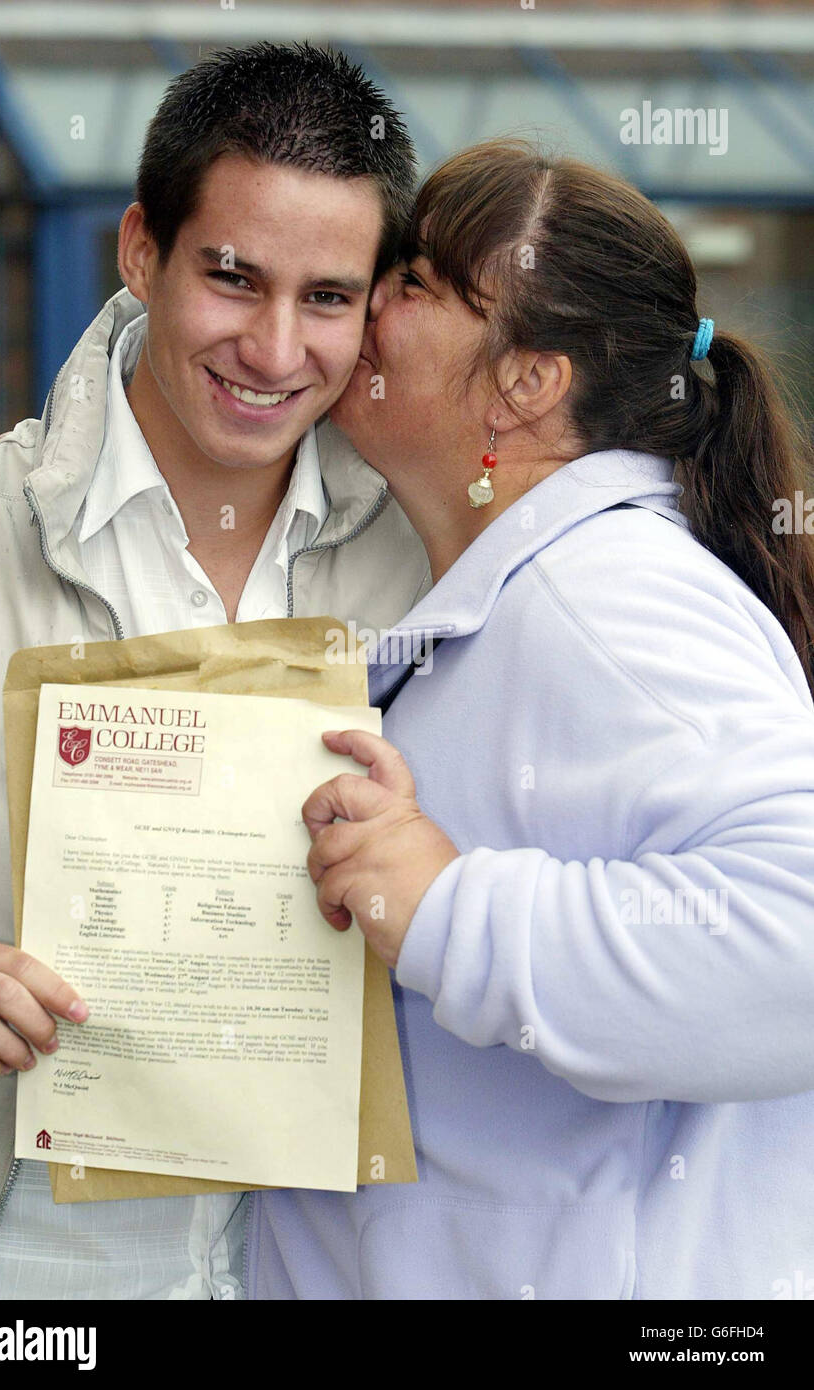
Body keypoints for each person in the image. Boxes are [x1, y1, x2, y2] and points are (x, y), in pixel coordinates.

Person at [245, 139, 814, 1300]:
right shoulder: (498, 588)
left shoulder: (609, 598)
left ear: (526, 381)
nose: (361, 306)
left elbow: (793, 943)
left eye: (409, 283)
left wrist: (451, 909)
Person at [0, 43, 428, 1301]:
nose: (274, 349)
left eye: (327, 297)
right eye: (230, 277)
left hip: (323, 1269)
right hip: (25, 1279)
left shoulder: (433, 574)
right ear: (138, 250)